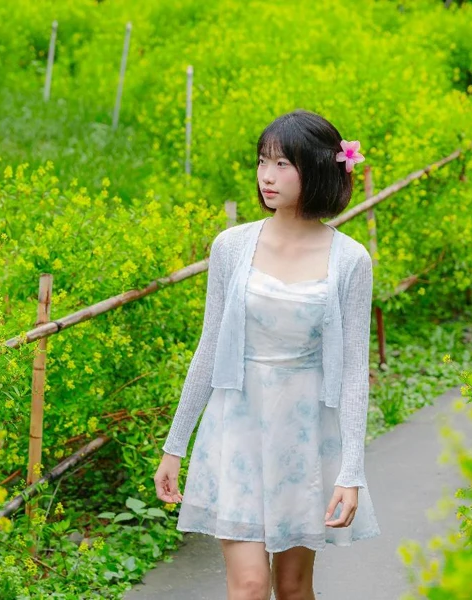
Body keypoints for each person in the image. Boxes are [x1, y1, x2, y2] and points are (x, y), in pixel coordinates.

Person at [154, 109, 381, 600]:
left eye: (282, 164)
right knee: (252, 586)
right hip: (237, 425)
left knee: (295, 588)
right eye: (262, 161)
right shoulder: (233, 246)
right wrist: (176, 445)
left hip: (305, 435)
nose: (266, 176)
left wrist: (351, 471)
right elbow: (209, 347)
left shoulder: (350, 260)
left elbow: (353, 377)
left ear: (319, 169)